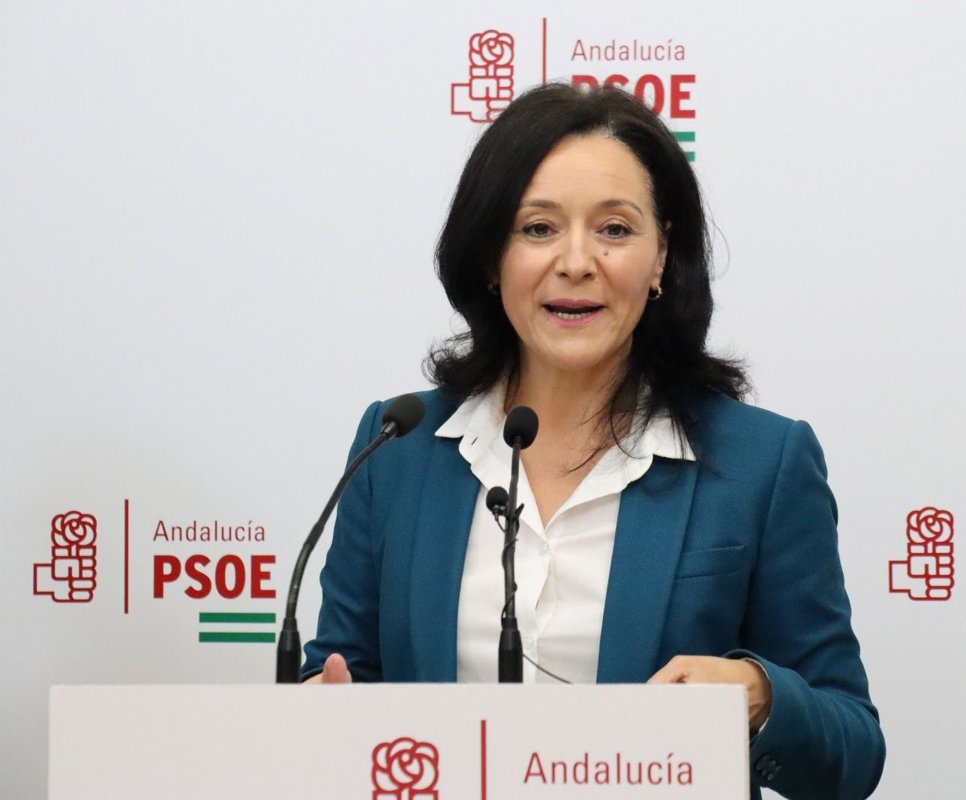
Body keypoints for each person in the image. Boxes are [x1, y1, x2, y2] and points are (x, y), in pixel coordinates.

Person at [302, 82, 885, 799]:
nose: (576, 262)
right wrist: (322, 713)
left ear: (661, 257)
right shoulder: (397, 446)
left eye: (614, 229)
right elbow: (338, 676)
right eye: (537, 228)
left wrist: (762, 696)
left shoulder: (762, 464)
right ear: (490, 259)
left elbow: (852, 753)